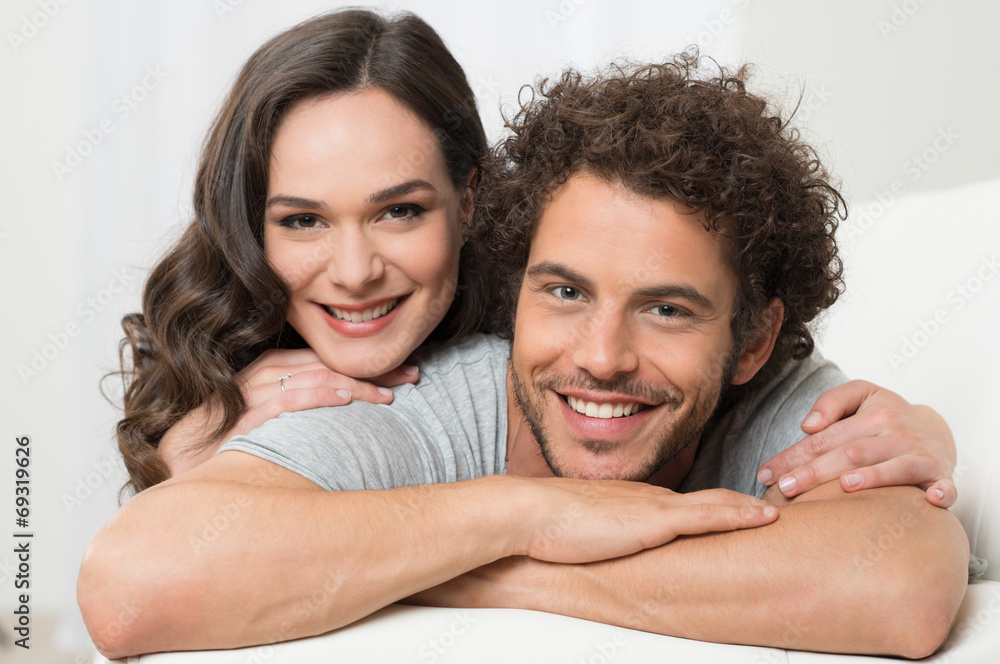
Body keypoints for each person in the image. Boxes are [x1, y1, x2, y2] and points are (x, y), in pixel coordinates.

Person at [79, 52, 967, 659]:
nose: (603, 356)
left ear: (756, 341)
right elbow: (130, 585)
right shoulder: (406, 401)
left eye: (665, 308)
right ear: (516, 285)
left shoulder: (781, 398)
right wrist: (522, 512)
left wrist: (478, 570)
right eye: (566, 291)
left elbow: (902, 577)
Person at [114, 8, 490, 490]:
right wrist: (176, 475)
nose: (355, 274)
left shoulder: (546, 367)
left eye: (399, 211)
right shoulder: (214, 393)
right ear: (250, 229)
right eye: (304, 221)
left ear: (468, 204)